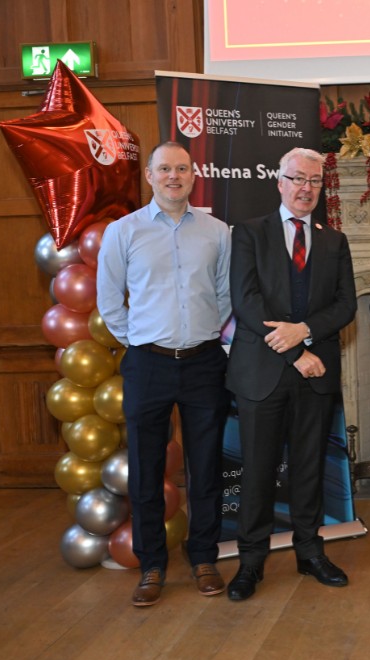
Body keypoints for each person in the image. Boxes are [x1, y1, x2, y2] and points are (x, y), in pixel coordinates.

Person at [97, 141, 231, 607]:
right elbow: (110, 299)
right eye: (165, 169)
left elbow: (225, 294)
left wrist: (206, 333)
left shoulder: (217, 232)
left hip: (203, 362)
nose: (174, 176)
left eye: (183, 168)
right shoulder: (123, 232)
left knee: (207, 467)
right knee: (146, 471)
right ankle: (152, 564)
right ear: (149, 176)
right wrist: (137, 339)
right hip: (147, 363)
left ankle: (204, 558)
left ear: (194, 176)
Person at [225, 147, 357, 601]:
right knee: (258, 471)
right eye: (297, 178)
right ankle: (249, 563)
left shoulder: (333, 241)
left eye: (315, 181)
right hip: (264, 373)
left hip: (315, 375)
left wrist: (305, 332)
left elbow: (346, 306)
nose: (306, 188)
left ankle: (310, 552)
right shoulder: (248, 233)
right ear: (279, 182)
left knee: (308, 469)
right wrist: (297, 350)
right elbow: (246, 302)